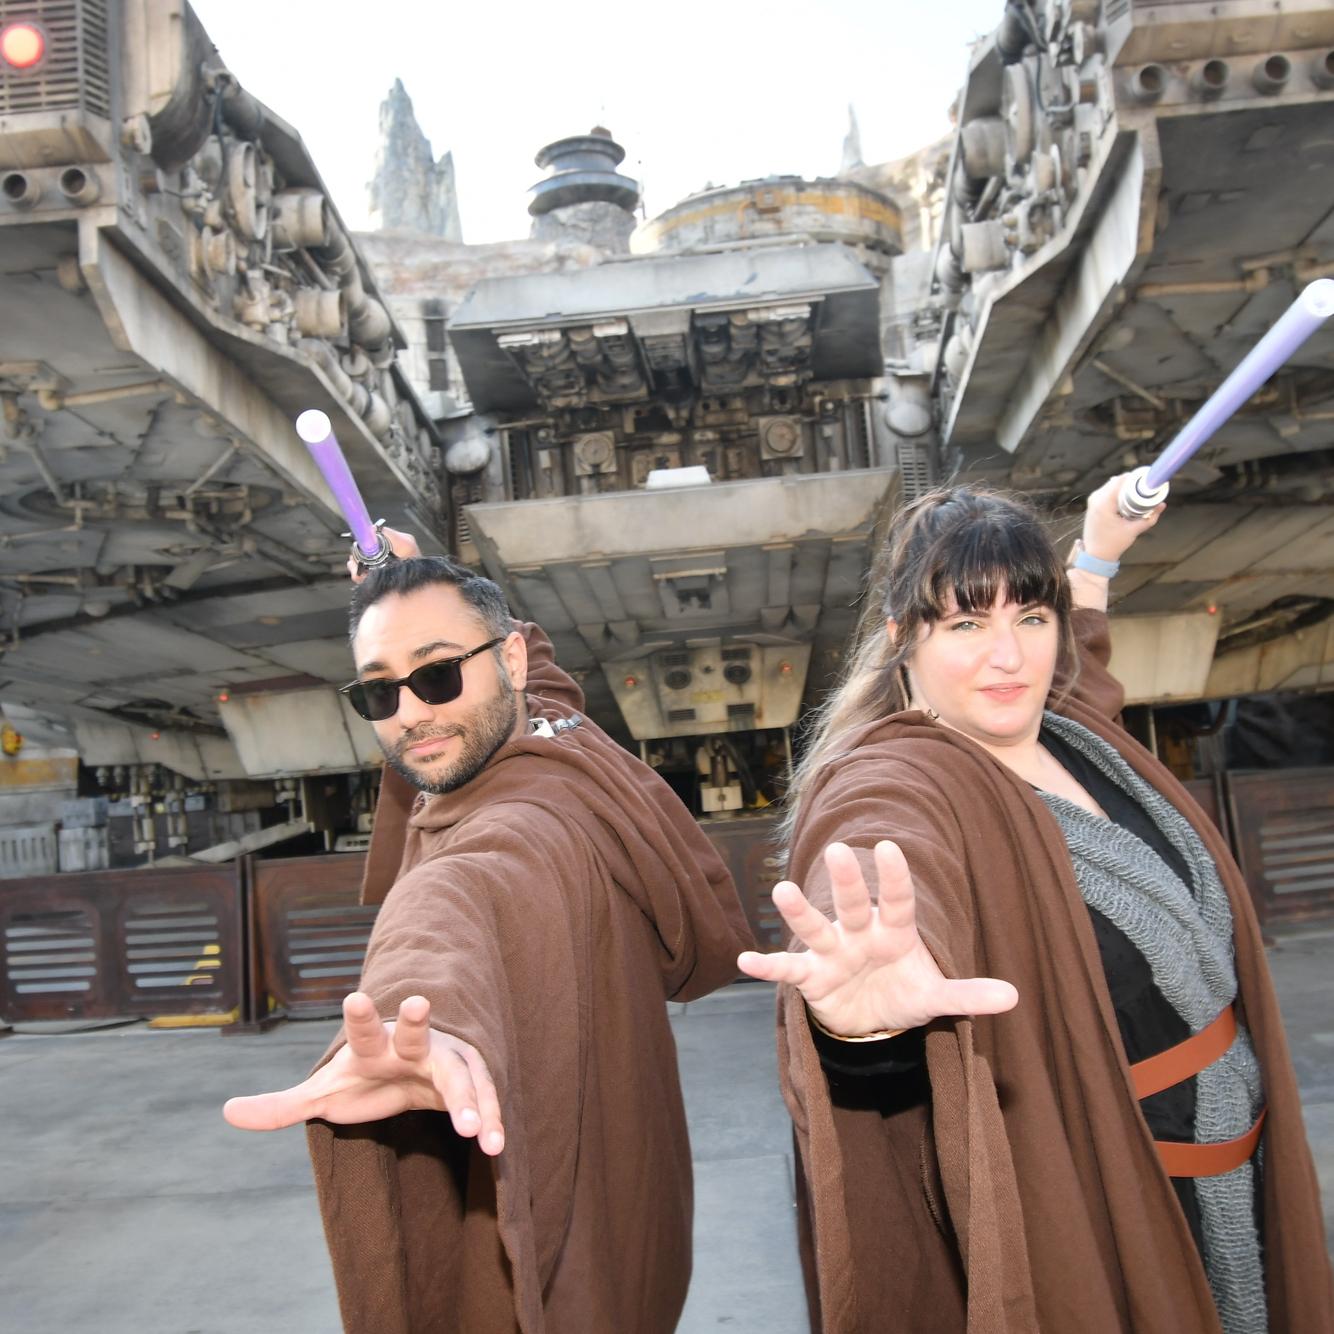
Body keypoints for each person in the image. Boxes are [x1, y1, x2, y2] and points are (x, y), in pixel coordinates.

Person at [738, 475, 1333, 1333]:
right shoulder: (902, 775)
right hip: (1122, 1201)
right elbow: (876, 835)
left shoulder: (1072, 734)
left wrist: (1096, 551)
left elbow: (1085, 659)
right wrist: (863, 1013)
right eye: (967, 625)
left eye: (1030, 617)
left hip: (1244, 1166)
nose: (1010, 657)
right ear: (903, 638)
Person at [225, 547, 753, 1333]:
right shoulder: (560, 736)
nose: (410, 713)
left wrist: (416, 1010)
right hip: (635, 1223)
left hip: (568, 1278)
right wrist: (423, 568)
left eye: (438, 674)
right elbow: (539, 674)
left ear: (507, 660)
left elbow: (456, 898)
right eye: (379, 690)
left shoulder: (522, 821)